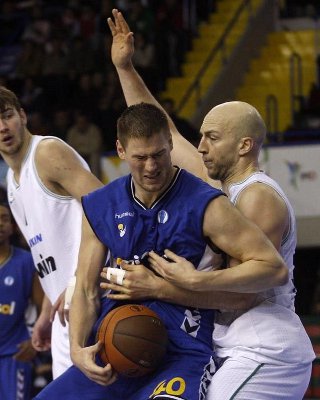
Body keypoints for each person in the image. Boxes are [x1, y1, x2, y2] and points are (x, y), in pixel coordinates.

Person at [101, 9, 315, 400]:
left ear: (244, 145)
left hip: (266, 345)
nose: (200, 146)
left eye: (212, 137)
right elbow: (162, 130)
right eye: (200, 137)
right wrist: (125, 67)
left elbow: (243, 293)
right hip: (232, 343)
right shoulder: (217, 185)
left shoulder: (258, 197)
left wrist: (165, 287)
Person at [34, 100, 287, 400]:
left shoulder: (207, 204)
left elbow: (273, 268)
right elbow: (87, 291)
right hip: (114, 342)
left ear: (170, 144)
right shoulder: (102, 205)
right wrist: (77, 348)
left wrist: (191, 280)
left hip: (184, 348)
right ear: (121, 150)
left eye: (159, 154)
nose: (152, 166)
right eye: (140, 157)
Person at [0, 86, 103, 378]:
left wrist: (77, 283)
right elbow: (46, 252)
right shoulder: (12, 181)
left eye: (8, 116)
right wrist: (45, 312)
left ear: (22, 116)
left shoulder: (46, 153)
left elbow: (108, 212)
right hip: (62, 310)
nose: (3, 127)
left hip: (89, 296)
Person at [0, 202, 43, 400]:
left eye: (4, 218)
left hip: (13, 356)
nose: (0, 224)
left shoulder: (26, 261)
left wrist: (34, 343)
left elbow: (44, 308)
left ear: (13, 226)